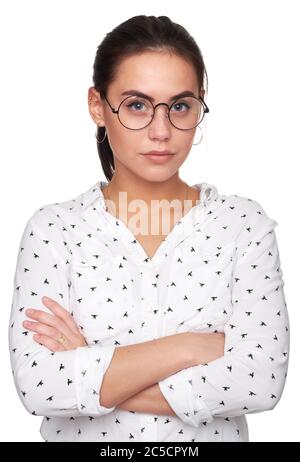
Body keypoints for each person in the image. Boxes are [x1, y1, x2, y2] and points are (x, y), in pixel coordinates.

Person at [8, 15, 290, 443]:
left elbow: (261, 380)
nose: (161, 131)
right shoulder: (54, 230)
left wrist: (90, 364)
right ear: (98, 107)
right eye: (137, 104)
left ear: (200, 104)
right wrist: (190, 347)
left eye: (179, 106)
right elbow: (39, 386)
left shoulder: (242, 226)